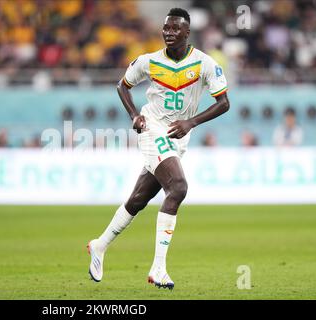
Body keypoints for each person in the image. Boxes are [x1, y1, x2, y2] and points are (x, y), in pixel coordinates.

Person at [87, 8, 230, 290]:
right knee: (178, 187)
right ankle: (158, 268)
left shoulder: (204, 64)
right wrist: (134, 116)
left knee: (138, 200)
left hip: (178, 136)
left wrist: (192, 122)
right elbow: (122, 85)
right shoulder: (149, 61)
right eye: (166, 29)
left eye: (175, 29)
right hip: (152, 130)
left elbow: (224, 103)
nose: (169, 33)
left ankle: (99, 245)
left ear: (187, 33)